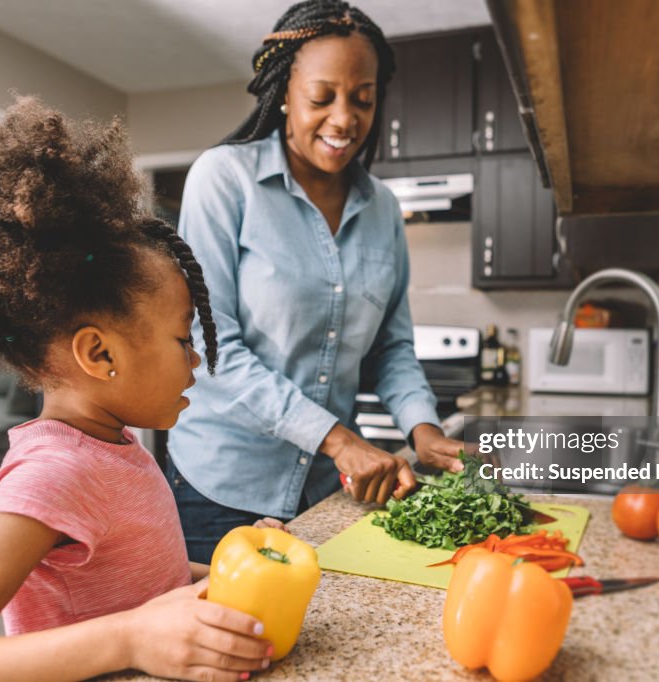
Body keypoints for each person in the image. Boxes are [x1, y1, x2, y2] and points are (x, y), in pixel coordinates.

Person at [0, 96, 279, 682]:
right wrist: (128, 639)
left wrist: (232, 573)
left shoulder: (117, 446)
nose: (197, 359)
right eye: (184, 339)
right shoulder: (52, 476)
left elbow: (134, 582)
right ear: (99, 353)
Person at [169, 0, 466, 564]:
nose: (344, 119)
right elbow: (213, 345)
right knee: (232, 646)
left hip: (326, 492)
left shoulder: (381, 209)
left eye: (363, 99)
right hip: (222, 488)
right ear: (284, 92)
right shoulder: (224, 180)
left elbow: (392, 348)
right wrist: (340, 440)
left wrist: (423, 429)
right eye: (321, 96)